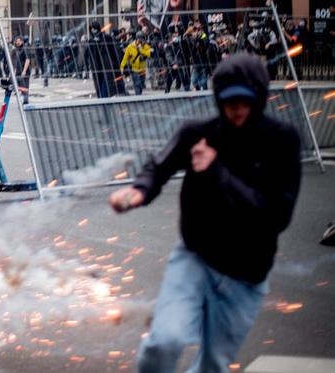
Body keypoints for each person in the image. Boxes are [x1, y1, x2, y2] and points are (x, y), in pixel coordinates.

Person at [109, 53, 302, 372]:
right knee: (164, 342)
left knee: (213, 364)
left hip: (245, 276)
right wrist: (137, 192)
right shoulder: (198, 133)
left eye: (245, 101)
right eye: (229, 102)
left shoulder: (281, 141)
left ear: (260, 98)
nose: (237, 110)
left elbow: (276, 216)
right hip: (195, 260)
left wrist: (217, 172)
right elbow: (158, 167)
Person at [120, 31, 151, 95]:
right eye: (140, 39)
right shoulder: (130, 47)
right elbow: (125, 58)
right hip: (134, 69)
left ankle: (139, 95)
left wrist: (141, 50)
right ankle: (138, 97)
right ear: (136, 39)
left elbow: (149, 54)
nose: (141, 41)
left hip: (142, 69)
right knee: (137, 84)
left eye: (142, 39)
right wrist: (122, 67)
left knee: (141, 85)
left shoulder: (146, 46)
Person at [11, 35, 31, 104]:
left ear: (22, 41)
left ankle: (26, 101)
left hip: (24, 71)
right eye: (16, 41)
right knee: (21, 86)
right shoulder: (16, 50)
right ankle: (23, 98)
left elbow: (27, 60)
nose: (18, 42)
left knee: (25, 86)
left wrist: (24, 71)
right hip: (18, 71)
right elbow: (15, 61)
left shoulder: (25, 49)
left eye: (19, 41)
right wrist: (14, 70)